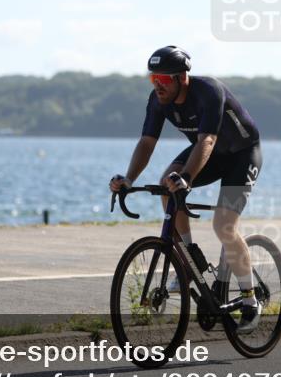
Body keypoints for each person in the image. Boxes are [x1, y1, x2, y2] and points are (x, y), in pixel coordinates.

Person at [109, 45, 263, 333]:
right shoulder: (157, 101)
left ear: (182, 78)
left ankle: (250, 300)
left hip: (241, 154)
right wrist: (128, 179)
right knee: (168, 185)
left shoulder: (208, 92)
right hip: (211, 154)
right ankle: (189, 259)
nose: (157, 86)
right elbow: (146, 143)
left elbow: (206, 141)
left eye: (164, 80)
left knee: (224, 226)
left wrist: (187, 179)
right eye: (152, 79)